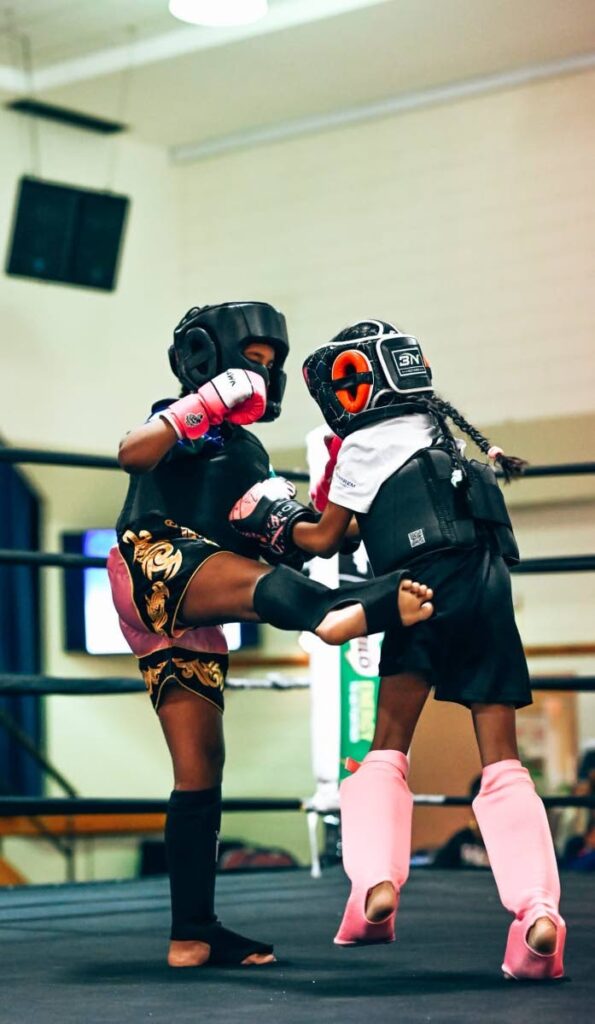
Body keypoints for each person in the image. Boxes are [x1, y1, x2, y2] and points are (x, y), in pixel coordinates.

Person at [230, 317, 566, 980]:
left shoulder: (360, 446)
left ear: (353, 385)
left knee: (387, 746)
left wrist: (271, 514)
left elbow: (325, 539)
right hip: (487, 584)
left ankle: (374, 889)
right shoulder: (436, 432)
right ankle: (536, 913)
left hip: (420, 587)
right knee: (501, 761)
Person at [107, 302, 434, 970]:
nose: (262, 376)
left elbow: (315, 538)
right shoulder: (184, 421)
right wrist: (202, 403)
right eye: (251, 362)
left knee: (200, 769)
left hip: (189, 610)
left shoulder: (252, 456)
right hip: (152, 561)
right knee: (277, 590)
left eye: (270, 365)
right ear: (207, 361)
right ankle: (341, 613)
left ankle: (192, 934)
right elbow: (130, 453)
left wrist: (350, 467)